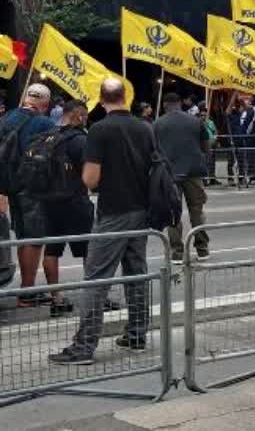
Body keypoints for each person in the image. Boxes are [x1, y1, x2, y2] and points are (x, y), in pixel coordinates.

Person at [50, 78, 153, 365]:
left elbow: (90, 178)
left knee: (96, 279)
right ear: (125, 96)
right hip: (140, 210)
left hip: (113, 212)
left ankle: (83, 347)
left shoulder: (99, 130)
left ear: (101, 98)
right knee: (136, 274)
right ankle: (136, 335)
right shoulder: (144, 128)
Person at [30, 99, 91, 317]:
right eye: (84, 115)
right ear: (77, 114)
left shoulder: (49, 136)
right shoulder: (80, 140)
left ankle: (56, 297)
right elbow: (88, 172)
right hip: (75, 200)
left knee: (52, 249)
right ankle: (94, 297)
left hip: (49, 201)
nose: (85, 119)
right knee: (88, 249)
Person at [0, 83, 57, 306]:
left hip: (11, 186)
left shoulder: (8, 118)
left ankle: (27, 289)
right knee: (35, 240)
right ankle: (27, 292)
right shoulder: (44, 123)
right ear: (45, 103)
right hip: (34, 189)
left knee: (24, 237)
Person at [154, 93, 210, 262]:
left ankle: (177, 252)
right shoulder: (195, 121)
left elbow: (153, 151)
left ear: (164, 105)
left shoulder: (157, 124)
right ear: (180, 103)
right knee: (197, 211)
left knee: (173, 213)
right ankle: (202, 249)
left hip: (169, 174)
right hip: (193, 173)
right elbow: (206, 147)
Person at [200, 105, 219, 186]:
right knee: (204, 163)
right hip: (202, 146)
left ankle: (212, 178)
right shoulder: (198, 123)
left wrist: (215, 138)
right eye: (202, 115)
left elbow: (215, 132)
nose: (203, 117)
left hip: (211, 145)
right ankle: (204, 180)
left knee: (211, 163)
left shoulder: (211, 122)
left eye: (205, 115)